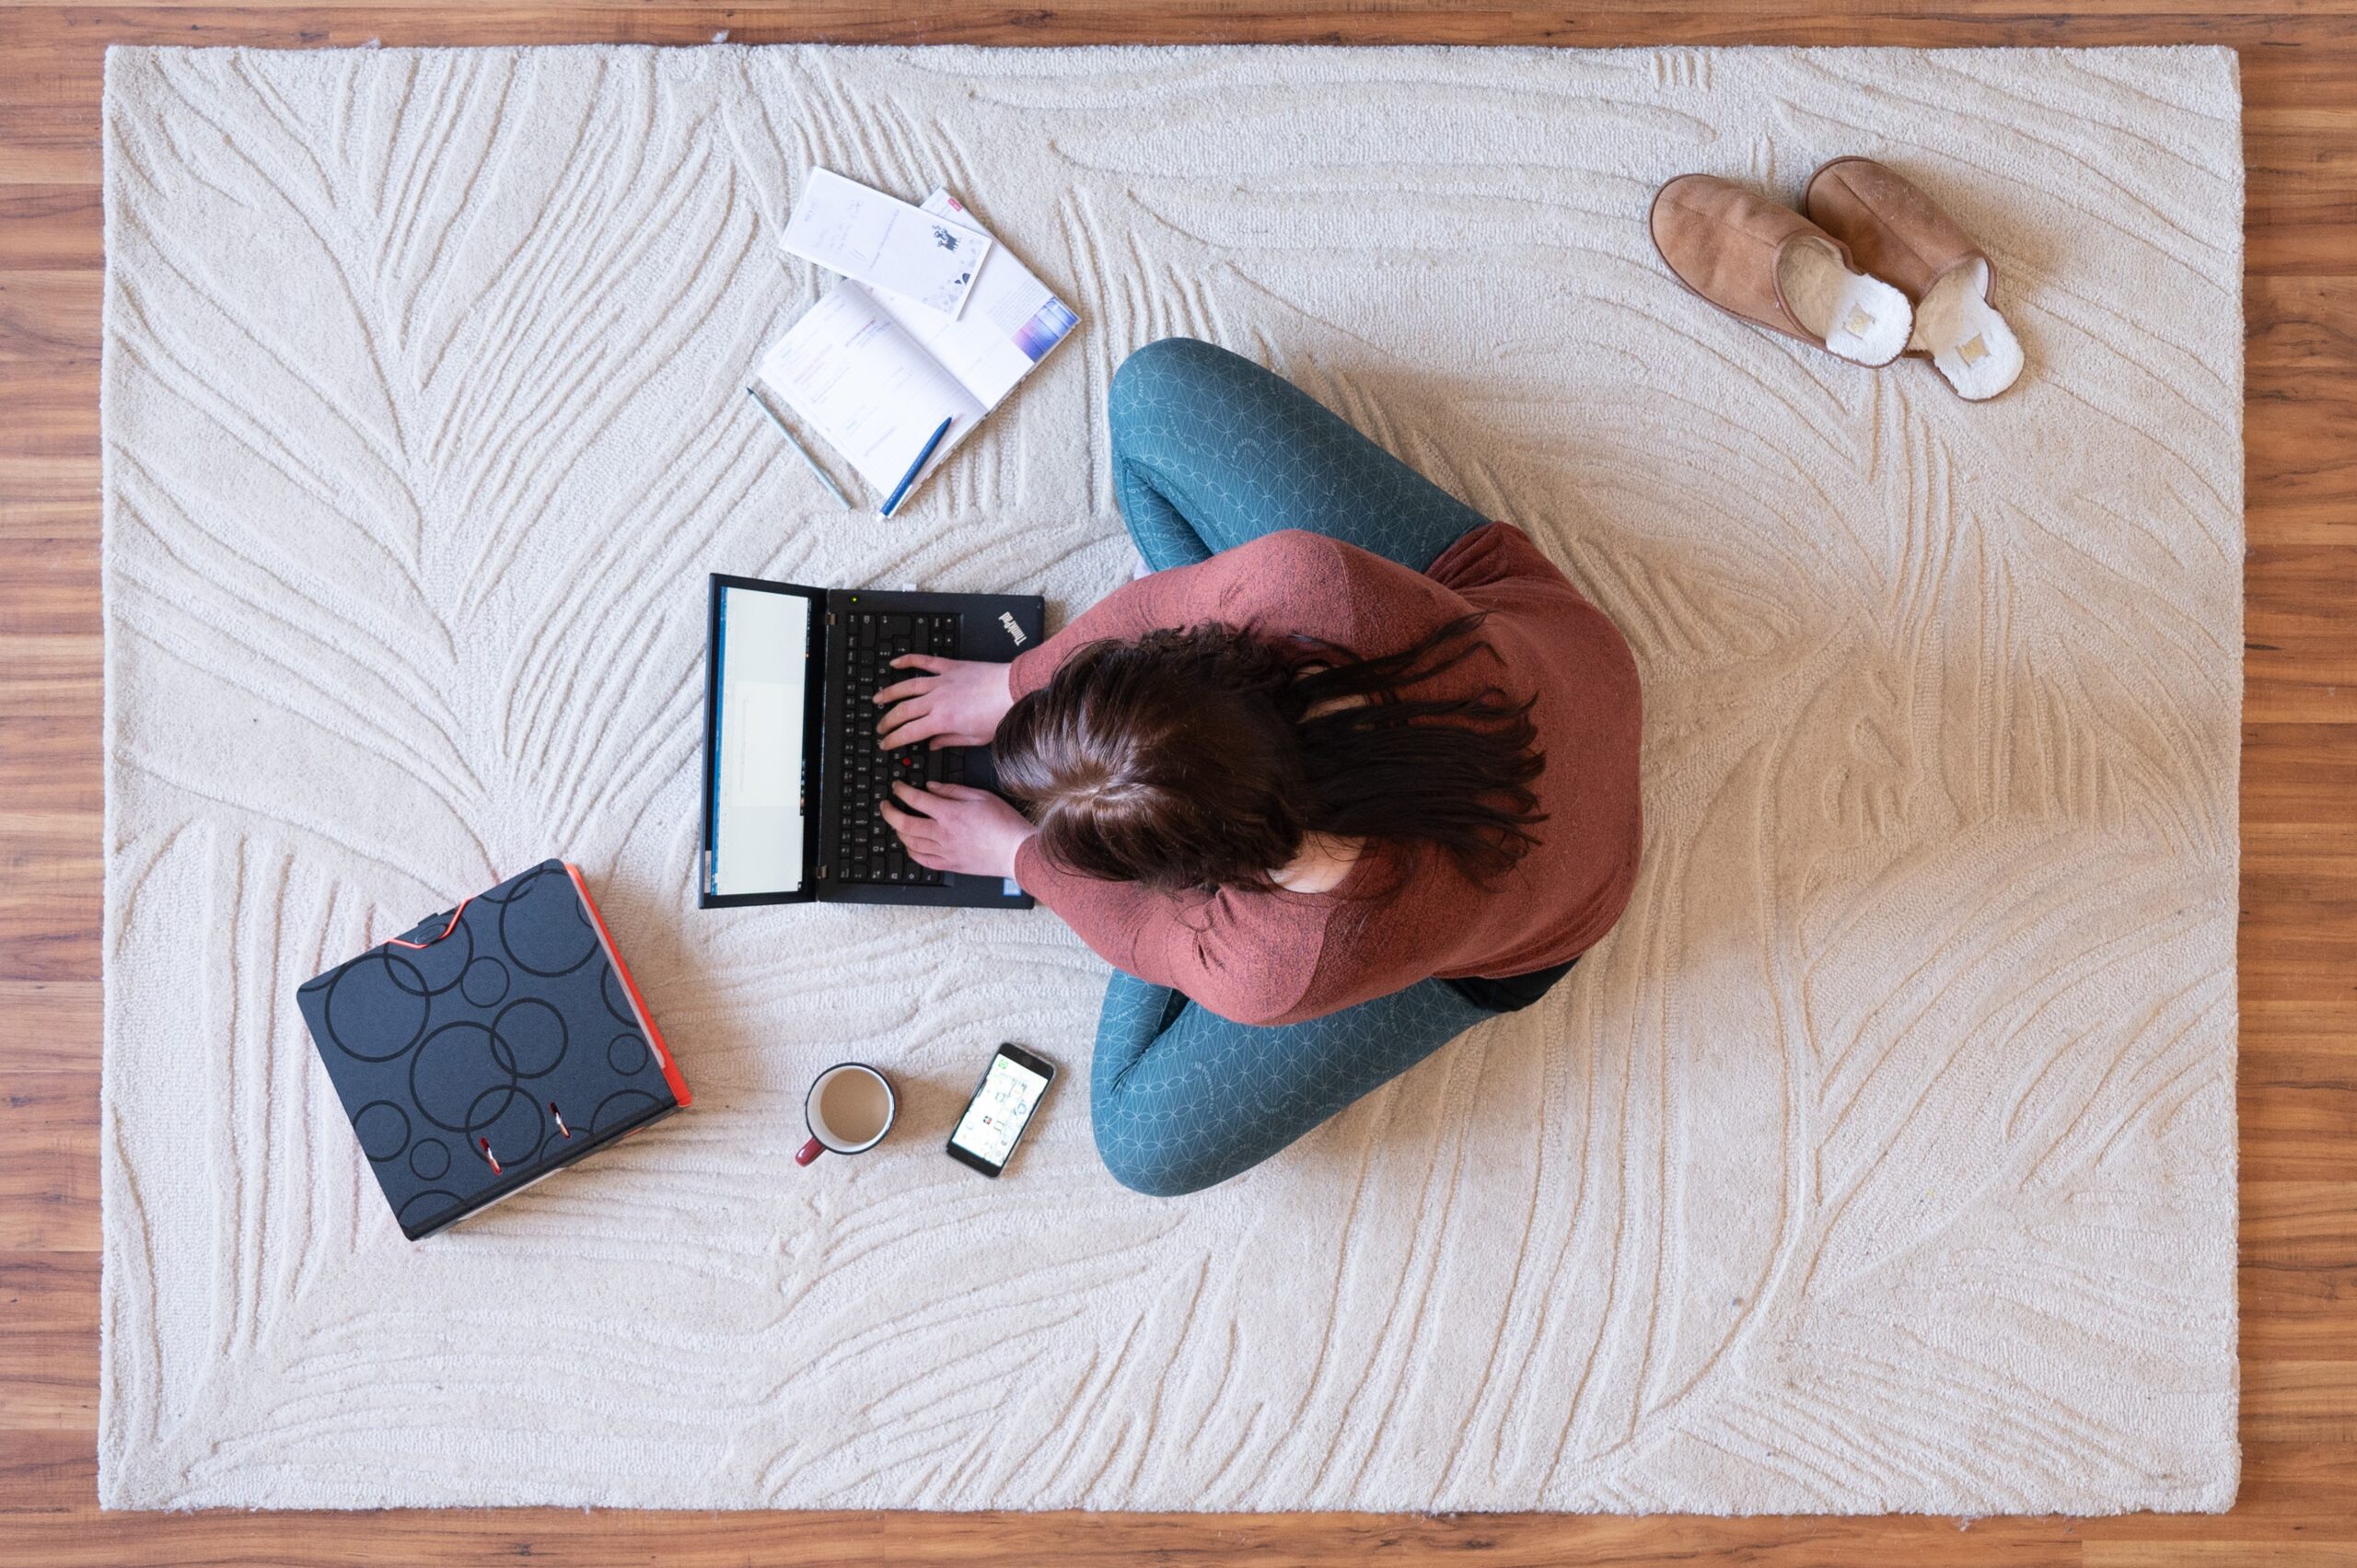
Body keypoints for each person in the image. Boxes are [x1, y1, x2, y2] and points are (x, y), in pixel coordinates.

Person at [874, 337, 1643, 1196]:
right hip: (1576, 660)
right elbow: (1164, 606)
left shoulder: (1285, 960)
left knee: (1138, 1145)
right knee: (1155, 388)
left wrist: (1020, 858)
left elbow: (1149, 935)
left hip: (1559, 910)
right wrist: (1013, 684)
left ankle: (1168, 743)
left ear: (1207, 883)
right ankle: (1176, 698)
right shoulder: (1304, 584)